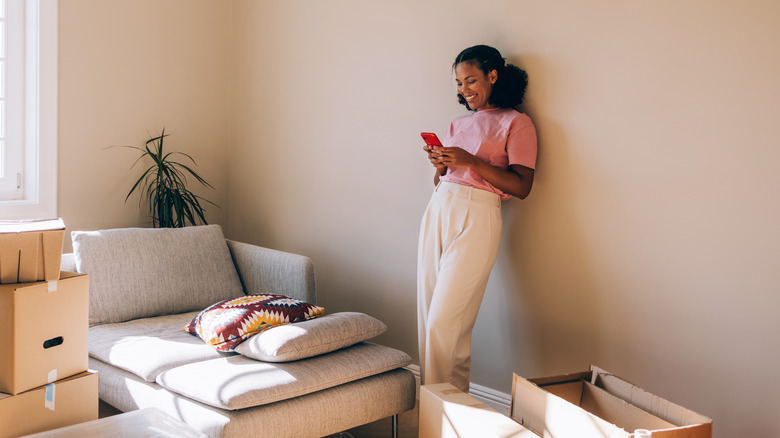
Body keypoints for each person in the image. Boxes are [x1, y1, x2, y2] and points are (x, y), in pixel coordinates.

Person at [417, 44, 538, 392]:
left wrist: (470, 160)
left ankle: (440, 416)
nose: (464, 89)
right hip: (440, 207)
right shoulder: (458, 123)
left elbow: (522, 185)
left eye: (470, 80)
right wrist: (441, 165)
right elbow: (447, 178)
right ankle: (445, 411)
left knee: (445, 322)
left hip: (477, 214)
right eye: (458, 83)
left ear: (493, 76)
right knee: (429, 320)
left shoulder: (518, 122)